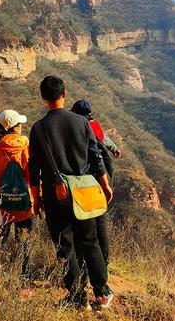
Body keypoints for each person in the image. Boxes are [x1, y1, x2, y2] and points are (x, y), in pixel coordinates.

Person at [29, 76, 114, 310]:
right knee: (89, 241)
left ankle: (77, 296)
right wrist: (105, 184)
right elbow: (95, 156)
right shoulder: (81, 122)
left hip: (54, 194)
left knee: (64, 247)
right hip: (85, 189)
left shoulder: (37, 128)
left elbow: (33, 167)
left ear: (43, 98)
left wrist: (36, 200)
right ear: (64, 93)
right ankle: (101, 292)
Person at [0, 109, 34, 282]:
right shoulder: (25, 144)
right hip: (23, 201)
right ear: (16, 127)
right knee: (23, 241)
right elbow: (32, 172)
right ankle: (22, 278)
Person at [70, 99, 119, 267]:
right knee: (101, 221)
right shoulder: (95, 125)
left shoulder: (78, 127)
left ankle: (82, 262)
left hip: (87, 178)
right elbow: (105, 139)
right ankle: (103, 261)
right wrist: (114, 149)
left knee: (85, 223)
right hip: (103, 176)